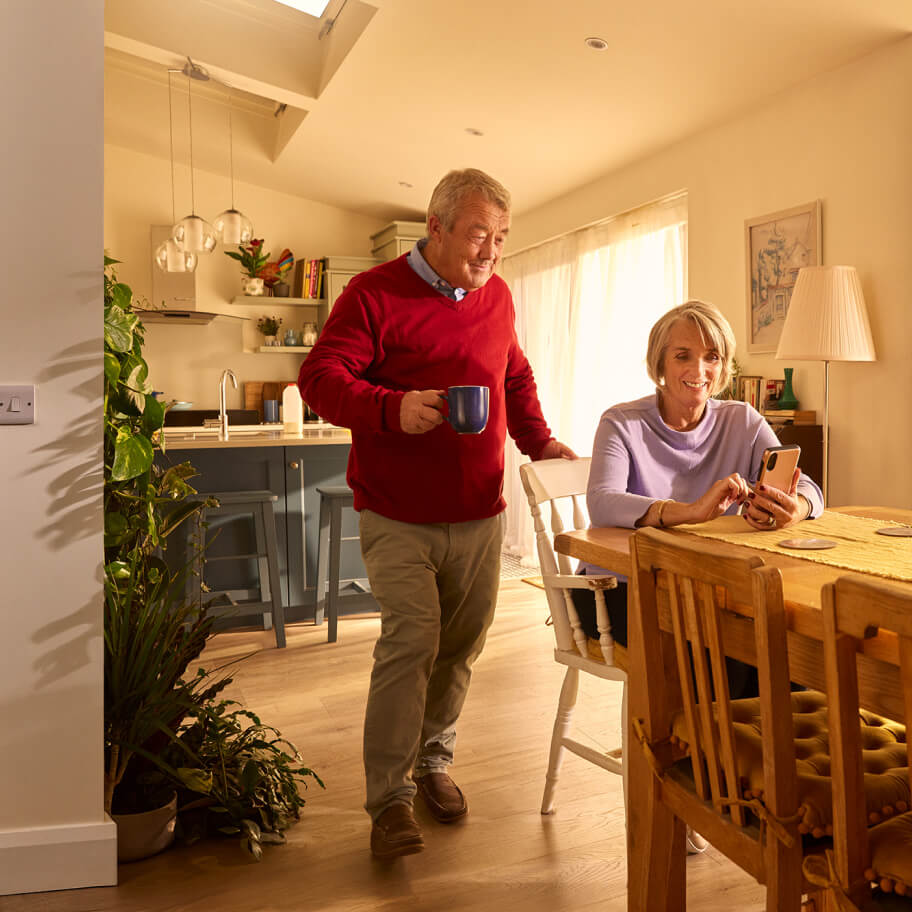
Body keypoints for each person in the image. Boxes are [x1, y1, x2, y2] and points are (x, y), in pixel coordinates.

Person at [298, 168, 575, 860]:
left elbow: (513, 376)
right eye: (480, 233)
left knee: (461, 645)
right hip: (399, 512)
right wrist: (392, 408)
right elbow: (320, 380)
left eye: (501, 238)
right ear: (438, 226)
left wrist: (541, 443)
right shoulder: (374, 294)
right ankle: (388, 801)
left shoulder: (498, 298)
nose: (491, 251)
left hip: (479, 510)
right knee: (413, 640)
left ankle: (433, 762)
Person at [572, 300, 824, 681]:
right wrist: (691, 510)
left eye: (712, 357)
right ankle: (699, 739)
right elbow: (603, 503)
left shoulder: (743, 420)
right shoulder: (621, 422)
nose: (699, 370)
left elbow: (809, 488)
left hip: (710, 588)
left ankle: (756, 738)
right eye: (682, 356)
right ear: (660, 364)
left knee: (790, 648)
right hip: (619, 590)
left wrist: (795, 506)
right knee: (728, 650)